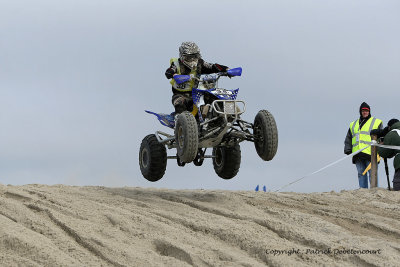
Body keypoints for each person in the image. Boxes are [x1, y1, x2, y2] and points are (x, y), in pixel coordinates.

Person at [165, 42, 229, 114]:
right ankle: (178, 120)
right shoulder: (176, 64)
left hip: (197, 92)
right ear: (182, 57)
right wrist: (173, 74)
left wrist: (227, 70)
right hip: (180, 94)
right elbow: (169, 72)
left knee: (214, 96)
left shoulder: (200, 63)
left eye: (195, 56)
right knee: (180, 103)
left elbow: (212, 66)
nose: (192, 60)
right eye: (189, 57)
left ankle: (225, 114)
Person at [344, 102, 383, 188]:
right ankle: (363, 191)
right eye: (363, 110)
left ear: (369, 112)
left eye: (366, 110)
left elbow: (382, 137)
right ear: (360, 112)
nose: (365, 112)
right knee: (361, 173)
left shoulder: (376, 122)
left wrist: (382, 150)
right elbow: (348, 138)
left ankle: (374, 191)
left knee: (372, 174)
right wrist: (347, 149)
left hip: (371, 153)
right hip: (358, 153)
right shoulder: (353, 124)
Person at [376, 119, 400, 191]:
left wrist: (379, 144)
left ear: (389, 127)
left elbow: (385, 153)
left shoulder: (393, 133)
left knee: (398, 185)